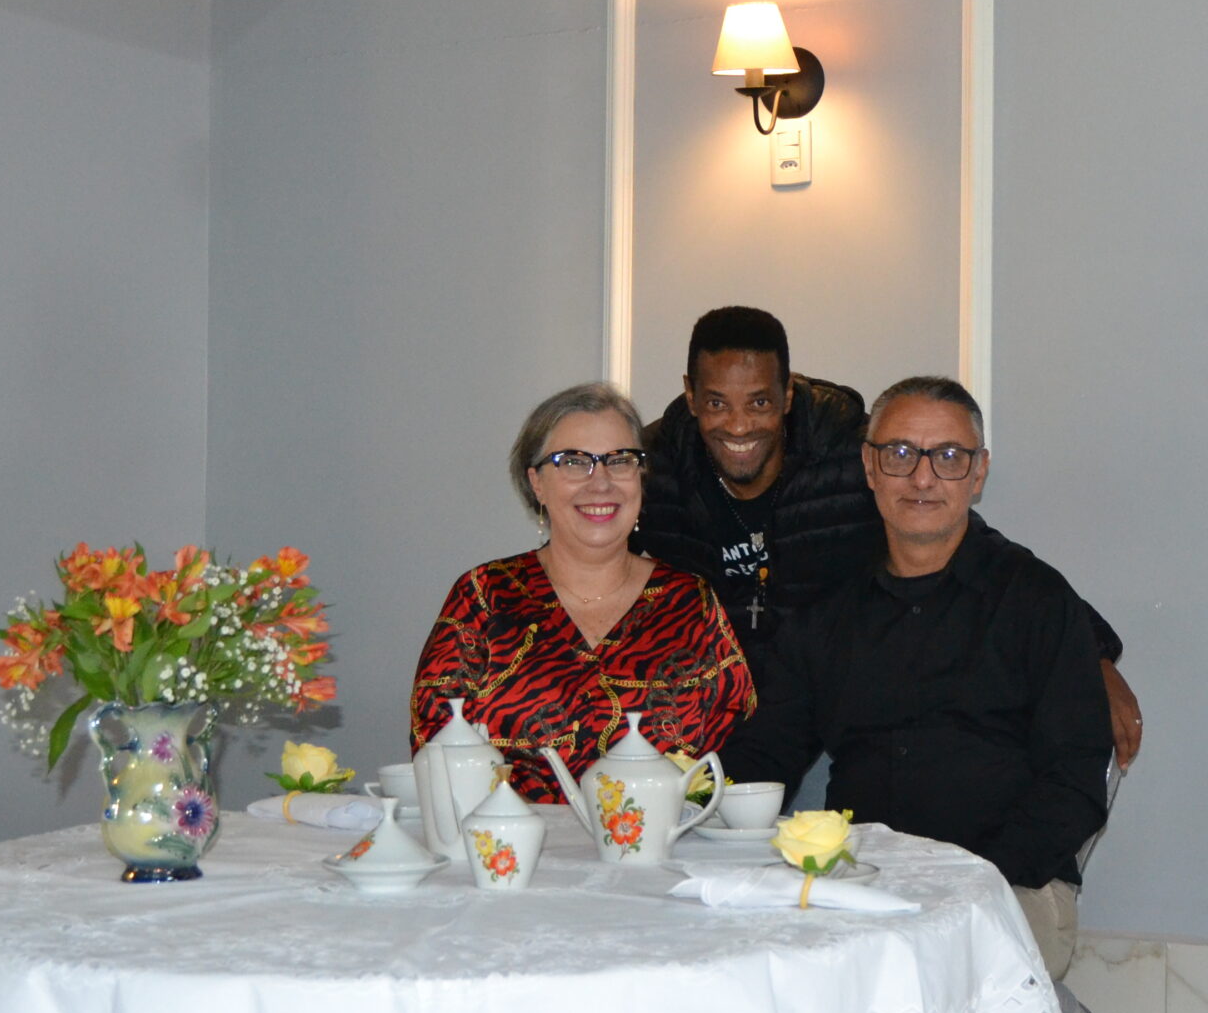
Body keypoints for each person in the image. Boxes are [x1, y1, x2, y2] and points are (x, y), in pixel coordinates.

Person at [721, 376, 1110, 977]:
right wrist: (689, 799)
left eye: (948, 457)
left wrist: (968, 880)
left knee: (912, 982)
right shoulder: (828, 610)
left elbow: (1075, 781)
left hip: (1007, 887)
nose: (922, 478)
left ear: (978, 474)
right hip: (860, 885)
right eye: (900, 453)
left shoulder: (1035, 600)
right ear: (869, 467)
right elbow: (768, 750)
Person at [639, 306, 1145, 767]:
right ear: (691, 395)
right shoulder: (655, 467)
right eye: (717, 403)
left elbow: (954, 529)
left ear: (787, 395)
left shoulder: (848, 450)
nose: (738, 425)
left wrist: (1090, 654)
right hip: (708, 719)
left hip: (824, 710)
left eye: (759, 402)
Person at [411, 382, 753, 804]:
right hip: (505, 841)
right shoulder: (483, 597)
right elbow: (435, 754)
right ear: (536, 483)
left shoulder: (689, 604)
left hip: (662, 843)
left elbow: (737, 759)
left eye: (620, 460)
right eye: (573, 462)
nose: (601, 483)